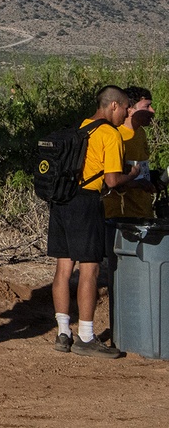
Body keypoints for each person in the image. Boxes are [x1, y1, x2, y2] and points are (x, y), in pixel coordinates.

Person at [49, 85, 137, 359]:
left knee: (64, 268)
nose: (126, 114)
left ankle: (64, 332)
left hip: (62, 200)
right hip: (86, 203)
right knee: (90, 270)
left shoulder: (81, 127)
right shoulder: (110, 135)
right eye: (125, 109)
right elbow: (112, 181)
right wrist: (132, 175)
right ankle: (86, 336)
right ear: (113, 106)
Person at [102, 86, 156, 220]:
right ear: (130, 108)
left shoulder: (141, 133)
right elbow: (108, 179)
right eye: (147, 106)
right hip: (121, 215)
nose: (152, 111)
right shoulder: (115, 135)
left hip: (143, 212)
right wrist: (136, 182)